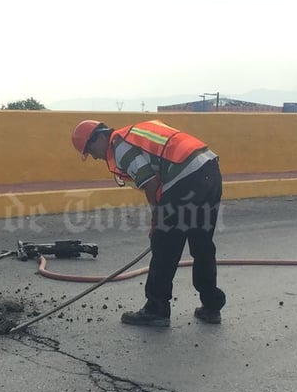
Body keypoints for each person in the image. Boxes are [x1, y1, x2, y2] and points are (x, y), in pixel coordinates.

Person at [71, 118, 226, 326]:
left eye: (90, 150)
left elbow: (150, 183)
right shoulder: (134, 134)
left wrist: (156, 219)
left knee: (164, 245)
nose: (94, 157)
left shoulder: (120, 147)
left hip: (185, 178)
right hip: (209, 170)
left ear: (99, 137)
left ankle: (156, 309)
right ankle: (211, 306)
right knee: (202, 243)